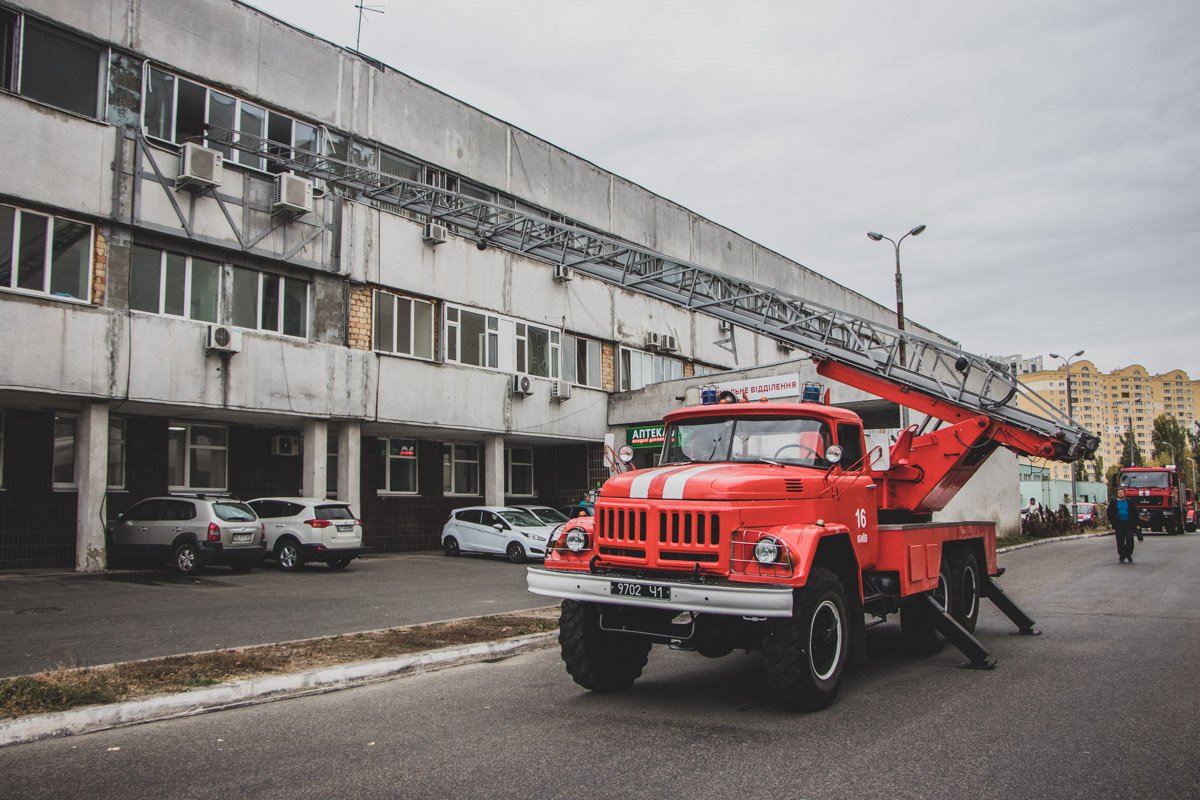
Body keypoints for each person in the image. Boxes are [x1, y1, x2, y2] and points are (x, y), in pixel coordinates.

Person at [1106, 496, 1142, 563]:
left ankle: (1128, 555)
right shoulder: (1114, 502)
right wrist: (1113, 521)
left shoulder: (1129, 502)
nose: (1120, 493)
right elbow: (1109, 512)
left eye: (1121, 492)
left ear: (1124, 494)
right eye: (1119, 492)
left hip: (1129, 524)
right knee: (1120, 540)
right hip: (1119, 524)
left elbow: (1135, 512)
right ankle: (1122, 556)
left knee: (1130, 539)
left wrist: (1137, 523)